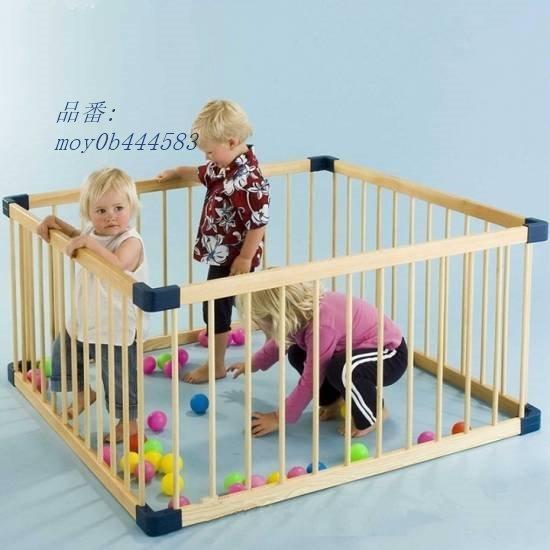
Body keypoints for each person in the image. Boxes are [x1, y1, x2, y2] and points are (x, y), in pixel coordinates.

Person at [157, 99, 269, 384]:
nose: (207, 157)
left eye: (209, 151)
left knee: (218, 306)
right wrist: (176, 172)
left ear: (231, 141)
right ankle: (272, 338)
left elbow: (258, 221)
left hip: (234, 258)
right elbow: (200, 172)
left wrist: (245, 257)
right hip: (224, 254)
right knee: (235, 304)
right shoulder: (222, 167)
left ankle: (217, 365)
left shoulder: (247, 178)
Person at [37, 168, 148, 442]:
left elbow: (118, 263)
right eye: (101, 211)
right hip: (87, 315)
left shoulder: (131, 241)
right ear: (88, 213)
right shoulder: (92, 233)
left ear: (131, 207)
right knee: (62, 351)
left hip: (118, 324)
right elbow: (82, 238)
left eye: (119, 208)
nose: (111, 216)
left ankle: (129, 423)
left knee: (118, 375)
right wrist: (57, 224)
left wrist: (86, 241)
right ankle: (83, 392)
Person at [228, 283, 408, 437]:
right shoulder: (297, 314)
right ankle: (335, 400)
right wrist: (253, 363)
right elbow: (281, 342)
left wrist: (278, 417)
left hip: (389, 354)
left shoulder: (321, 327)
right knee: (297, 352)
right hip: (355, 350)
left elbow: (311, 380)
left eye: (259, 321)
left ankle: (374, 413)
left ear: (275, 317)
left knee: (345, 368)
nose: (259, 325)